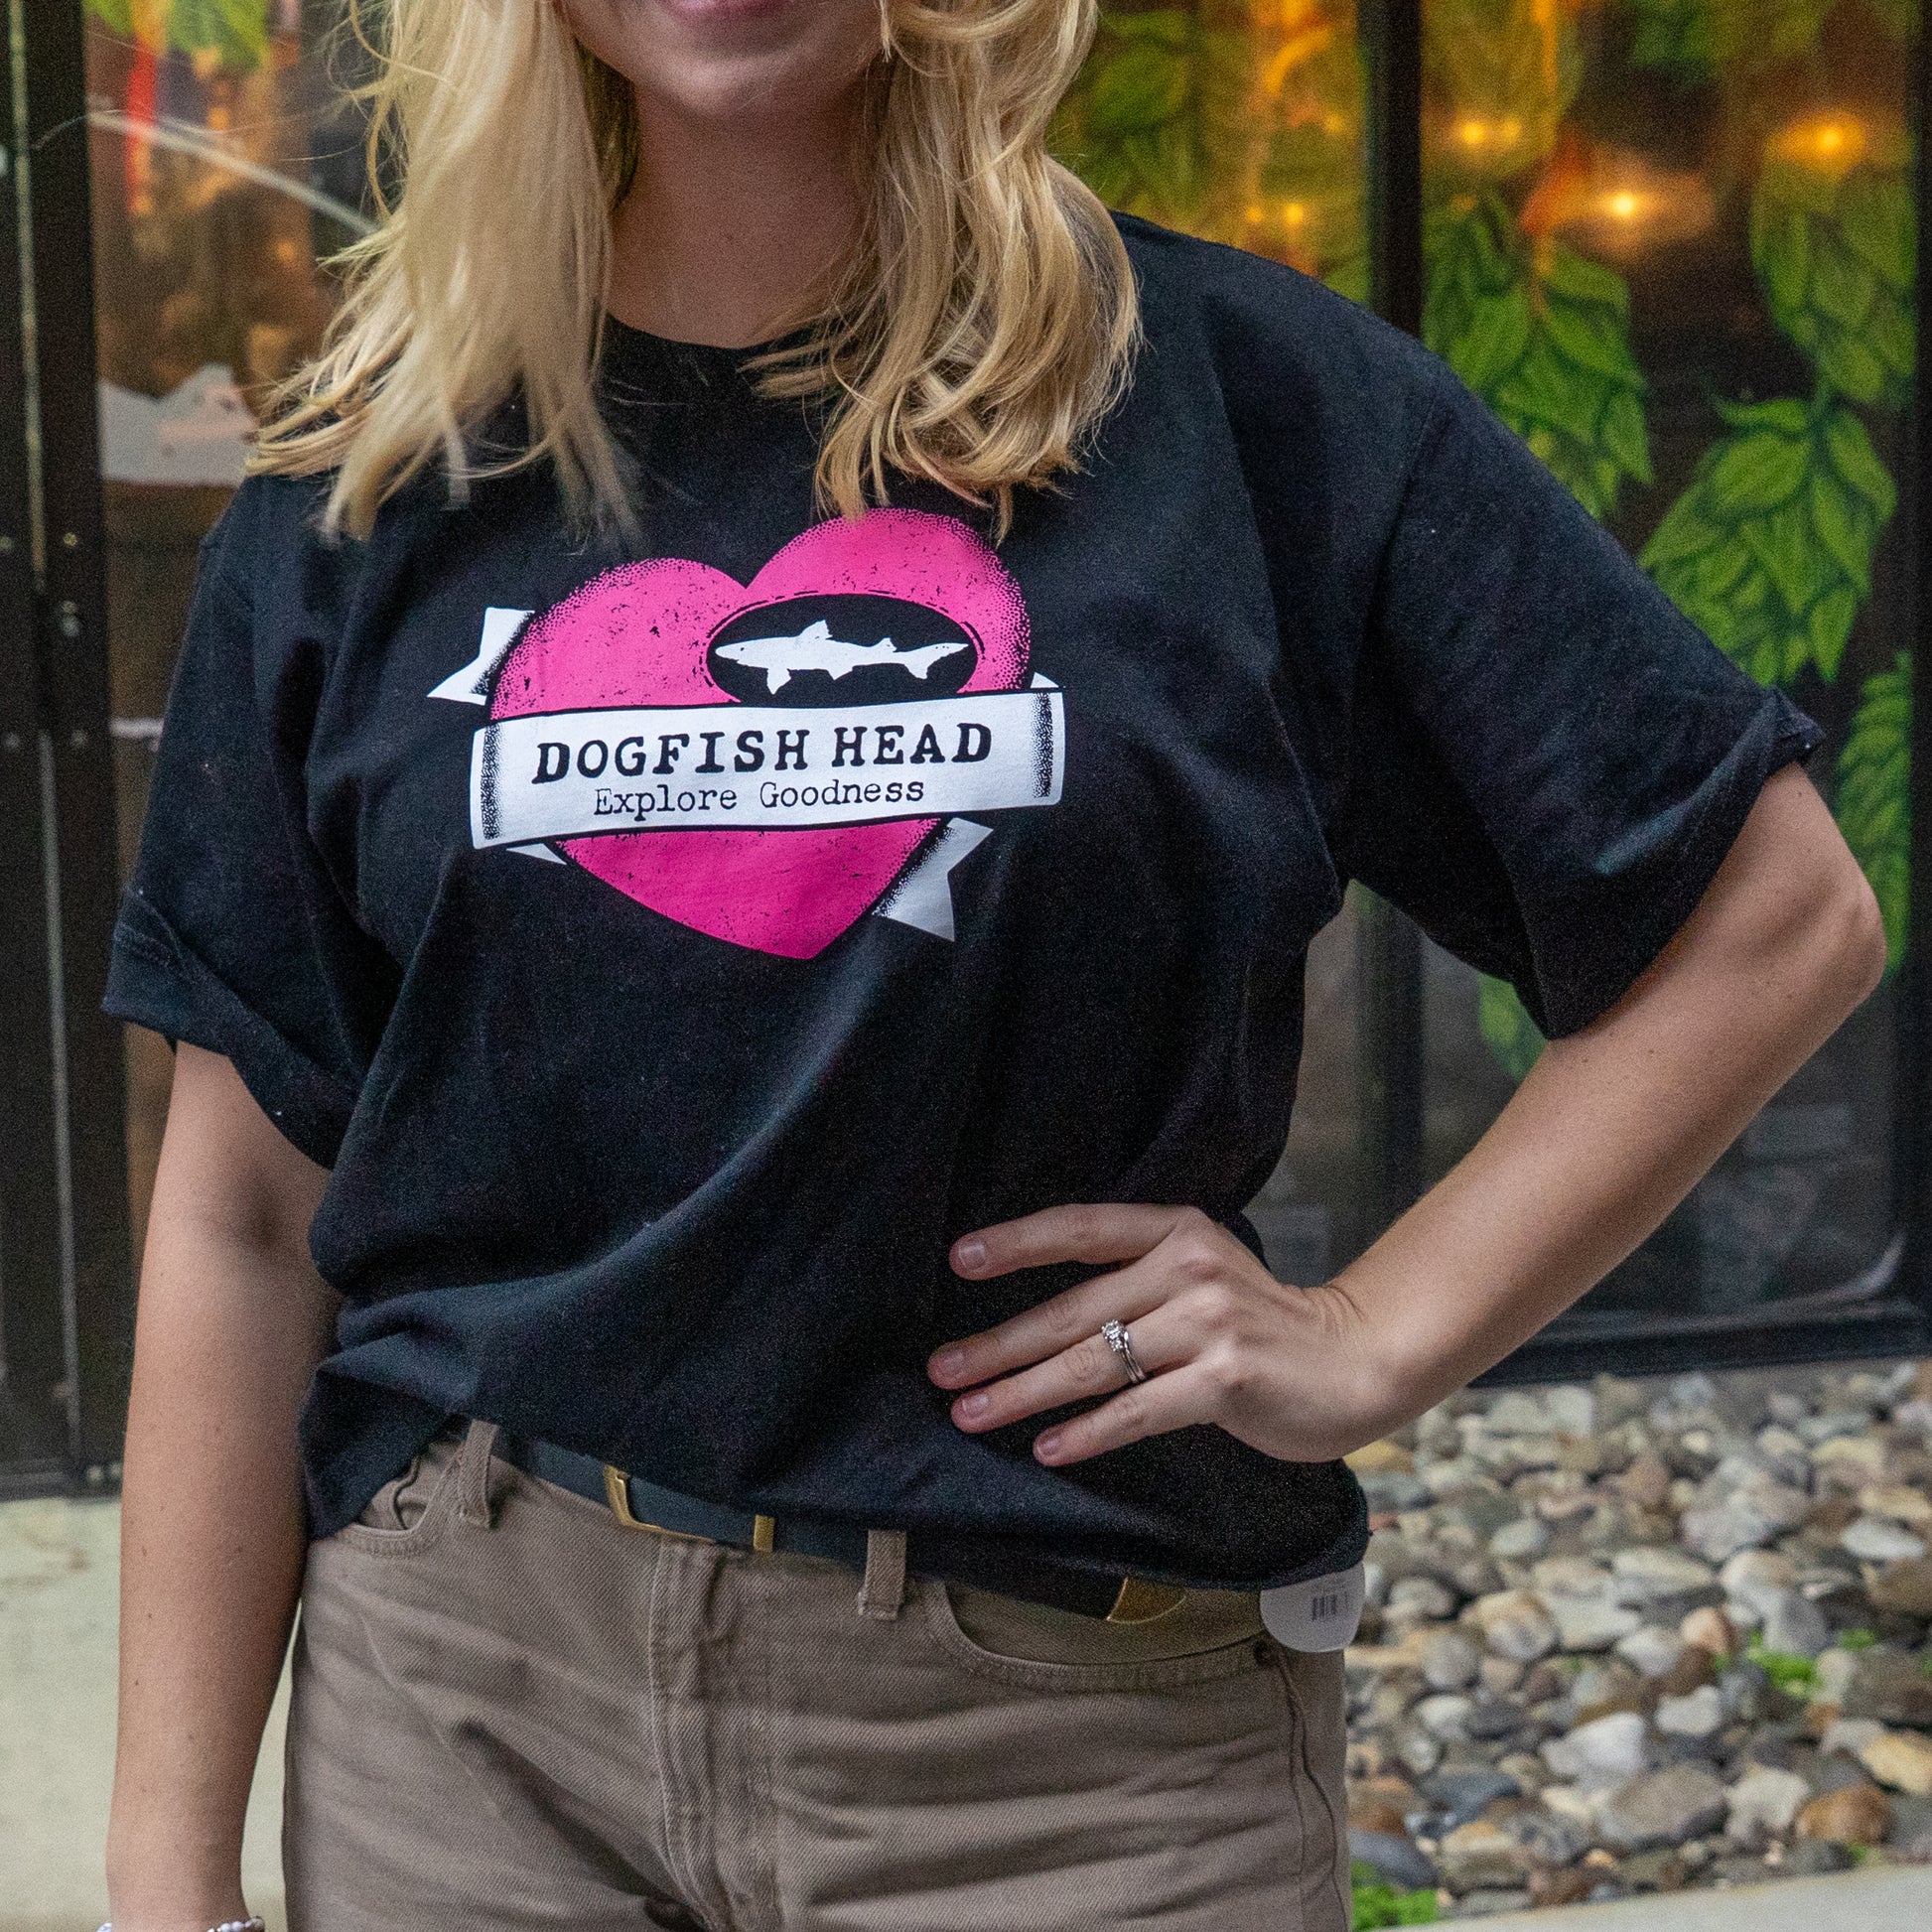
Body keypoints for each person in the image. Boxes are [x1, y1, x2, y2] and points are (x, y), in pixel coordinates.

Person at [100, 2, 1886, 1929]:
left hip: (1065, 1760)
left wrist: (1375, 1329)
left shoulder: (1241, 404)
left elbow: (1766, 918)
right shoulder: (375, 482)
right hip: (476, 1721)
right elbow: (244, 1215)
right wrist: (164, 1874)